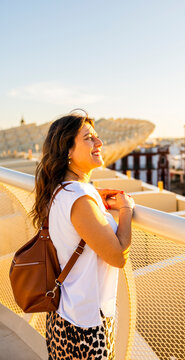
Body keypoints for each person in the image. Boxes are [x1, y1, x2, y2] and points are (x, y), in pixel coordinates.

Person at [30, 110, 135, 360]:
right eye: (89, 138)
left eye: (97, 136)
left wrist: (93, 196)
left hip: (62, 316)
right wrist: (126, 209)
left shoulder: (58, 190)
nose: (99, 142)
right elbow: (118, 257)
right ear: (68, 150)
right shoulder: (79, 198)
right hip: (85, 326)